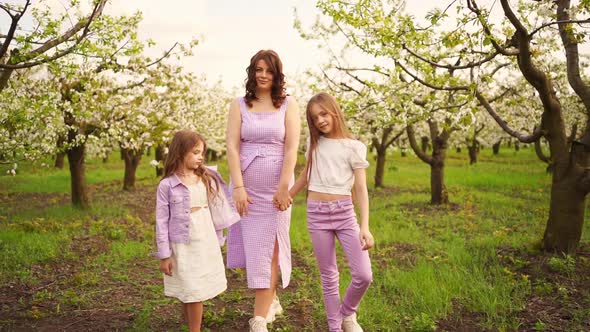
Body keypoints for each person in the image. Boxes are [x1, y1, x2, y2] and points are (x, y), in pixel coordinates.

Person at [225, 49, 300, 332]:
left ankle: (258, 319)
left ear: (277, 73)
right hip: (248, 190)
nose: (263, 75)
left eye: (269, 70)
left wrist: (284, 188)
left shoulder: (288, 105)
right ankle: (271, 299)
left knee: (270, 250)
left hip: (276, 190)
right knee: (252, 250)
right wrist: (239, 188)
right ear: (252, 72)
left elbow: (291, 146)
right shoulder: (239, 105)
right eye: (258, 69)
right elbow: (232, 146)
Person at [289, 92, 374, 332]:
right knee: (329, 275)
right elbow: (306, 174)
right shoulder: (314, 144)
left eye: (324, 114)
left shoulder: (354, 147)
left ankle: (346, 314)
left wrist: (364, 226)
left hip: (345, 214)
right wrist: (289, 195)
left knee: (363, 274)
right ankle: (335, 327)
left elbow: (360, 188)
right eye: (315, 118)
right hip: (317, 214)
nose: (320, 121)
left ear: (334, 111)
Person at [154, 130, 239, 332]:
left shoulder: (206, 178)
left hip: (204, 240)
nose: (201, 157)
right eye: (196, 152)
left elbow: (219, 207)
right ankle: (193, 327)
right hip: (182, 244)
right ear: (180, 152)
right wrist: (164, 255)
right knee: (187, 288)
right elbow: (161, 221)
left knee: (196, 290)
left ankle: (195, 329)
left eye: (202, 152)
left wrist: (220, 236)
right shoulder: (167, 185)